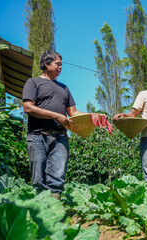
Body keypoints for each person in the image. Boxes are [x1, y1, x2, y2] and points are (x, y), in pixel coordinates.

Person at [22, 50, 112, 200]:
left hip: (60, 137)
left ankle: (55, 210)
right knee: (38, 178)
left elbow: (73, 112)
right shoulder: (33, 83)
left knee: (58, 176)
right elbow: (28, 107)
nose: (60, 67)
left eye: (61, 65)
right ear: (46, 64)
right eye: (58, 64)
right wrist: (56, 115)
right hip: (38, 137)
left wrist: (92, 115)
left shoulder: (64, 88)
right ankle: (40, 213)